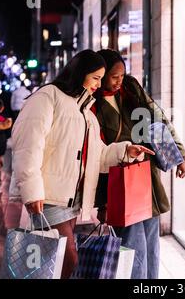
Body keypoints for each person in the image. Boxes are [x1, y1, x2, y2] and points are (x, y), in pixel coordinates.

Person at [11, 50, 153, 279]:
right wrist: (31, 190)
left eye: (100, 78)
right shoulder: (49, 97)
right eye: (95, 77)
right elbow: (28, 145)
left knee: (55, 265)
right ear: (80, 73)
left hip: (71, 200)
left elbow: (99, 155)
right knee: (68, 259)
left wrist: (126, 150)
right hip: (48, 198)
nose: (99, 84)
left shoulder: (85, 112)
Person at [92, 49, 185, 279]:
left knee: (151, 243)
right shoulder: (91, 103)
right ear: (102, 74)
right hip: (119, 181)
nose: (118, 81)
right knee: (133, 247)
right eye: (114, 76)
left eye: (122, 75)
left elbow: (158, 120)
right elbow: (96, 155)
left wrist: (179, 155)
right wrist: (102, 203)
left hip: (147, 176)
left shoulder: (131, 88)